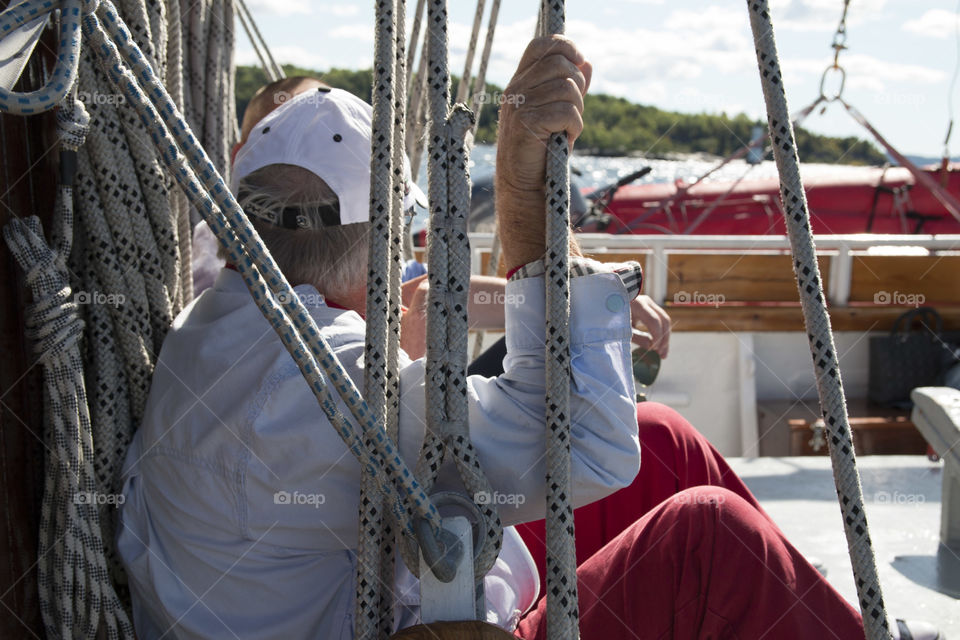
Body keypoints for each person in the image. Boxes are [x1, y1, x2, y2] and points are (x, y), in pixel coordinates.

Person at [117, 36, 934, 640]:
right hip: (434, 622)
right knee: (707, 536)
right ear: (373, 262)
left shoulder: (233, 323)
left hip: (393, 577)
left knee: (663, 443)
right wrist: (519, 199)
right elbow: (582, 443)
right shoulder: (321, 388)